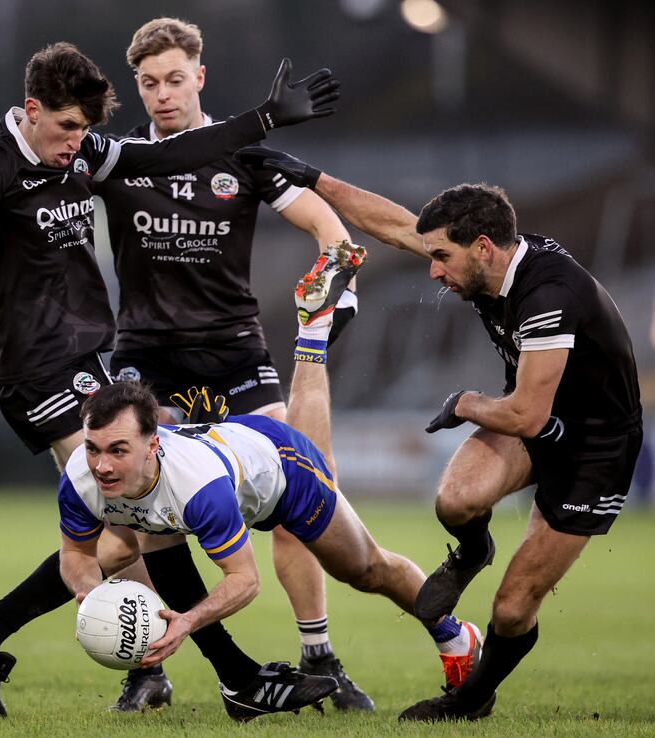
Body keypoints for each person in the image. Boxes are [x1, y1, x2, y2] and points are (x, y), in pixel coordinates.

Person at [0, 43, 340, 718]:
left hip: (93, 359)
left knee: (132, 528)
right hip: (39, 373)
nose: (75, 145)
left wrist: (262, 119)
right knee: (142, 520)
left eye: (84, 131)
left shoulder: (82, 150)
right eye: (64, 128)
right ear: (31, 111)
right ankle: (231, 677)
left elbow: (165, 156)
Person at [236, 149, 643, 721]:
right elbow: (399, 228)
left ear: (482, 248)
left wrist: (467, 403)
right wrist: (309, 177)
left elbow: (525, 416)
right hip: (533, 418)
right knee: (455, 499)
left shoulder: (549, 296)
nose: (432, 270)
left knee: (511, 608)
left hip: (592, 447)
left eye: (442, 258)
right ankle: (474, 550)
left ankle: (470, 700)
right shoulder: (486, 262)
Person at [58, 242, 484, 720]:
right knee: (143, 539)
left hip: (282, 470)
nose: (101, 464)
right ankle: (315, 330)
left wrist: (185, 624)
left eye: (113, 451)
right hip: (231, 449)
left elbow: (243, 581)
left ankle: (455, 636)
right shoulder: (100, 469)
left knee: (365, 569)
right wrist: (90, 596)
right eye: (95, 450)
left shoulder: (195, 484)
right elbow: (79, 553)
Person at [93, 17, 370, 711]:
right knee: (135, 518)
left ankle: (319, 654)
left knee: (294, 497)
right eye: (149, 83)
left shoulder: (244, 157)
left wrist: (343, 287)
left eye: (175, 79)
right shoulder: (118, 160)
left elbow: (328, 226)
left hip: (235, 354)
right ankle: (146, 665)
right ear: (137, 86)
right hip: (147, 356)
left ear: (201, 77)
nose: (162, 94)